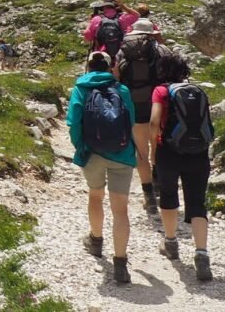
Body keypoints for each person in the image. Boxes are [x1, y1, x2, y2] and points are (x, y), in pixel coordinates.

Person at [68, 50, 137, 285]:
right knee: (121, 210)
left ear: (87, 66)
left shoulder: (80, 88)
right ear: (111, 66)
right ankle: (120, 264)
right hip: (122, 154)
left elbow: (73, 123)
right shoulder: (122, 90)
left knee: (95, 196)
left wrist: (81, 147)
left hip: (92, 153)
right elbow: (131, 121)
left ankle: (96, 241)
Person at [150, 53, 216, 282]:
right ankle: (201, 253)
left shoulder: (161, 90)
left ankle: (171, 242)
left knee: (168, 195)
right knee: (197, 202)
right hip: (199, 153)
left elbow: (153, 121)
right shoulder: (197, 91)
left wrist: (153, 150)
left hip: (168, 151)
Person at [116, 17, 169, 214]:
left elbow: (116, 75)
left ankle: (149, 198)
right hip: (159, 104)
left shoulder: (125, 50)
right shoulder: (161, 50)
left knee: (140, 152)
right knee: (158, 144)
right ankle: (159, 185)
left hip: (135, 104)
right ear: (152, 33)